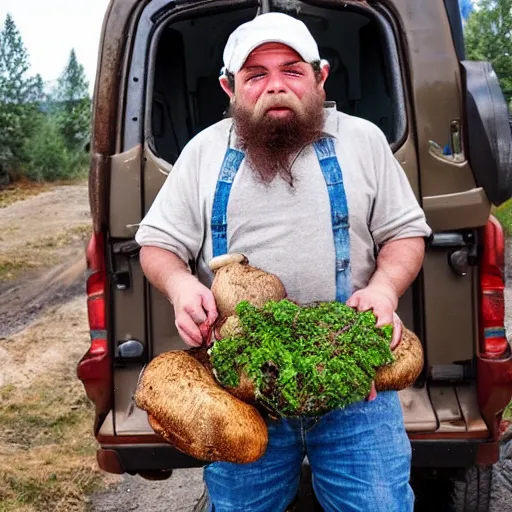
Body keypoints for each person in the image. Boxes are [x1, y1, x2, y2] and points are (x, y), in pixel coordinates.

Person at [135, 12, 432, 512]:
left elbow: (405, 234)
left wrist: (384, 289)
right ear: (230, 87)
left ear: (320, 77)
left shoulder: (364, 142)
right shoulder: (202, 153)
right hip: (242, 391)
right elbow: (157, 245)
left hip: (355, 381)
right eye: (256, 75)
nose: (276, 86)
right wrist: (182, 286)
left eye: (292, 71)